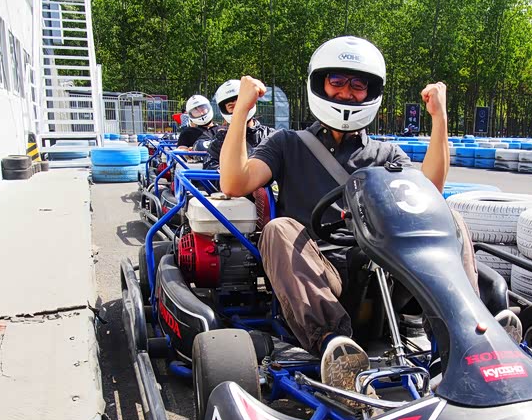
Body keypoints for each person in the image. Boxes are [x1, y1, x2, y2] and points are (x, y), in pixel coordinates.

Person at [220, 36, 494, 401]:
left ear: (370, 92)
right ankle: (336, 350)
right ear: (320, 84)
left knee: (450, 218)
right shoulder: (288, 144)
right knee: (277, 229)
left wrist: (439, 118)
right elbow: (234, 182)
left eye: (358, 84)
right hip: (319, 276)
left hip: (384, 271)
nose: (346, 92)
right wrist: (241, 111)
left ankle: (465, 334)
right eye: (337, 81)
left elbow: (430, 192)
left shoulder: (385, 155)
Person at [202, 79, 276, 171]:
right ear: (225, 110)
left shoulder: (271, 136)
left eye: (240, 104)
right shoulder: (220, 139)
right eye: (231, 107)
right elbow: (210, 168)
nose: (238, 109)